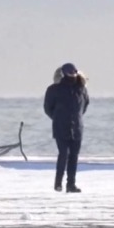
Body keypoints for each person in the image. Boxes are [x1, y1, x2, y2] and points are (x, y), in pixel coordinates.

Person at [43, 62, 89, 193]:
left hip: (77, 128)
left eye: (74, 73)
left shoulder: (81, 89)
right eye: (69, 73)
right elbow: (48, 108)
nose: (72, 75)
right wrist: (58, 118)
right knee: (64, 154)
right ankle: (58, 183)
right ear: (63, 74)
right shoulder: (54, 89)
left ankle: (71, 185)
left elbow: (84, 106)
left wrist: (76, 118)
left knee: (74, 156)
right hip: (60, 127)